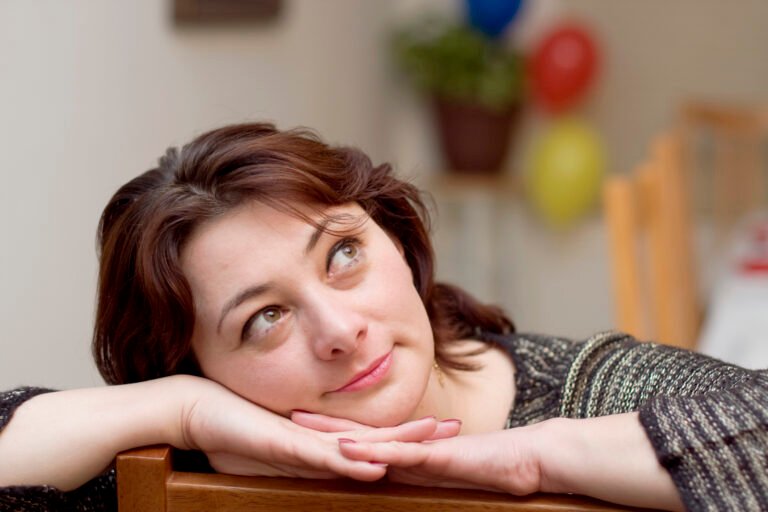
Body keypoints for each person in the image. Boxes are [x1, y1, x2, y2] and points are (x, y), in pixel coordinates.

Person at [0, 122, 766, 512]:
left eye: (341, 255)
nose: (338, 330)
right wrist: (185, 412)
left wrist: (533, 460)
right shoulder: (200, 457)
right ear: (200, 366)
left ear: (396, 240)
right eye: (263, 319)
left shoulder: (587, 391)